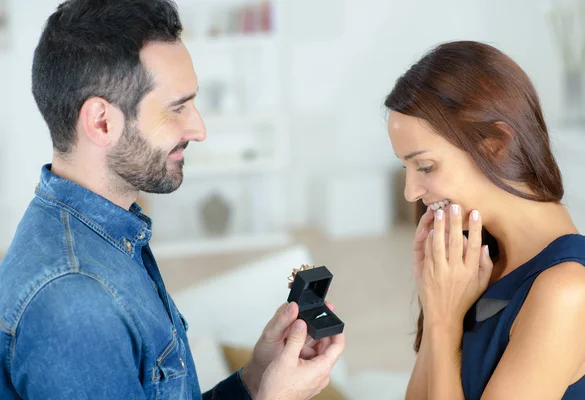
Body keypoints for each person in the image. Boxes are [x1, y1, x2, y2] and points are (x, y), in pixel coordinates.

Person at [0, 0, 345, 399]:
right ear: (101, 122)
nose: (198, 129)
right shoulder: (76, 302)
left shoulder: (107, 235)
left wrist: (254, 380)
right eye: (177, 108)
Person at [384, 40, 585, 399]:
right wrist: (438, 308)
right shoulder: (476, 260)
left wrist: (444, 322)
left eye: (425, 166)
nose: (410, 192)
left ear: (496, 143)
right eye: (405, 167)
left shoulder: (565, 292)